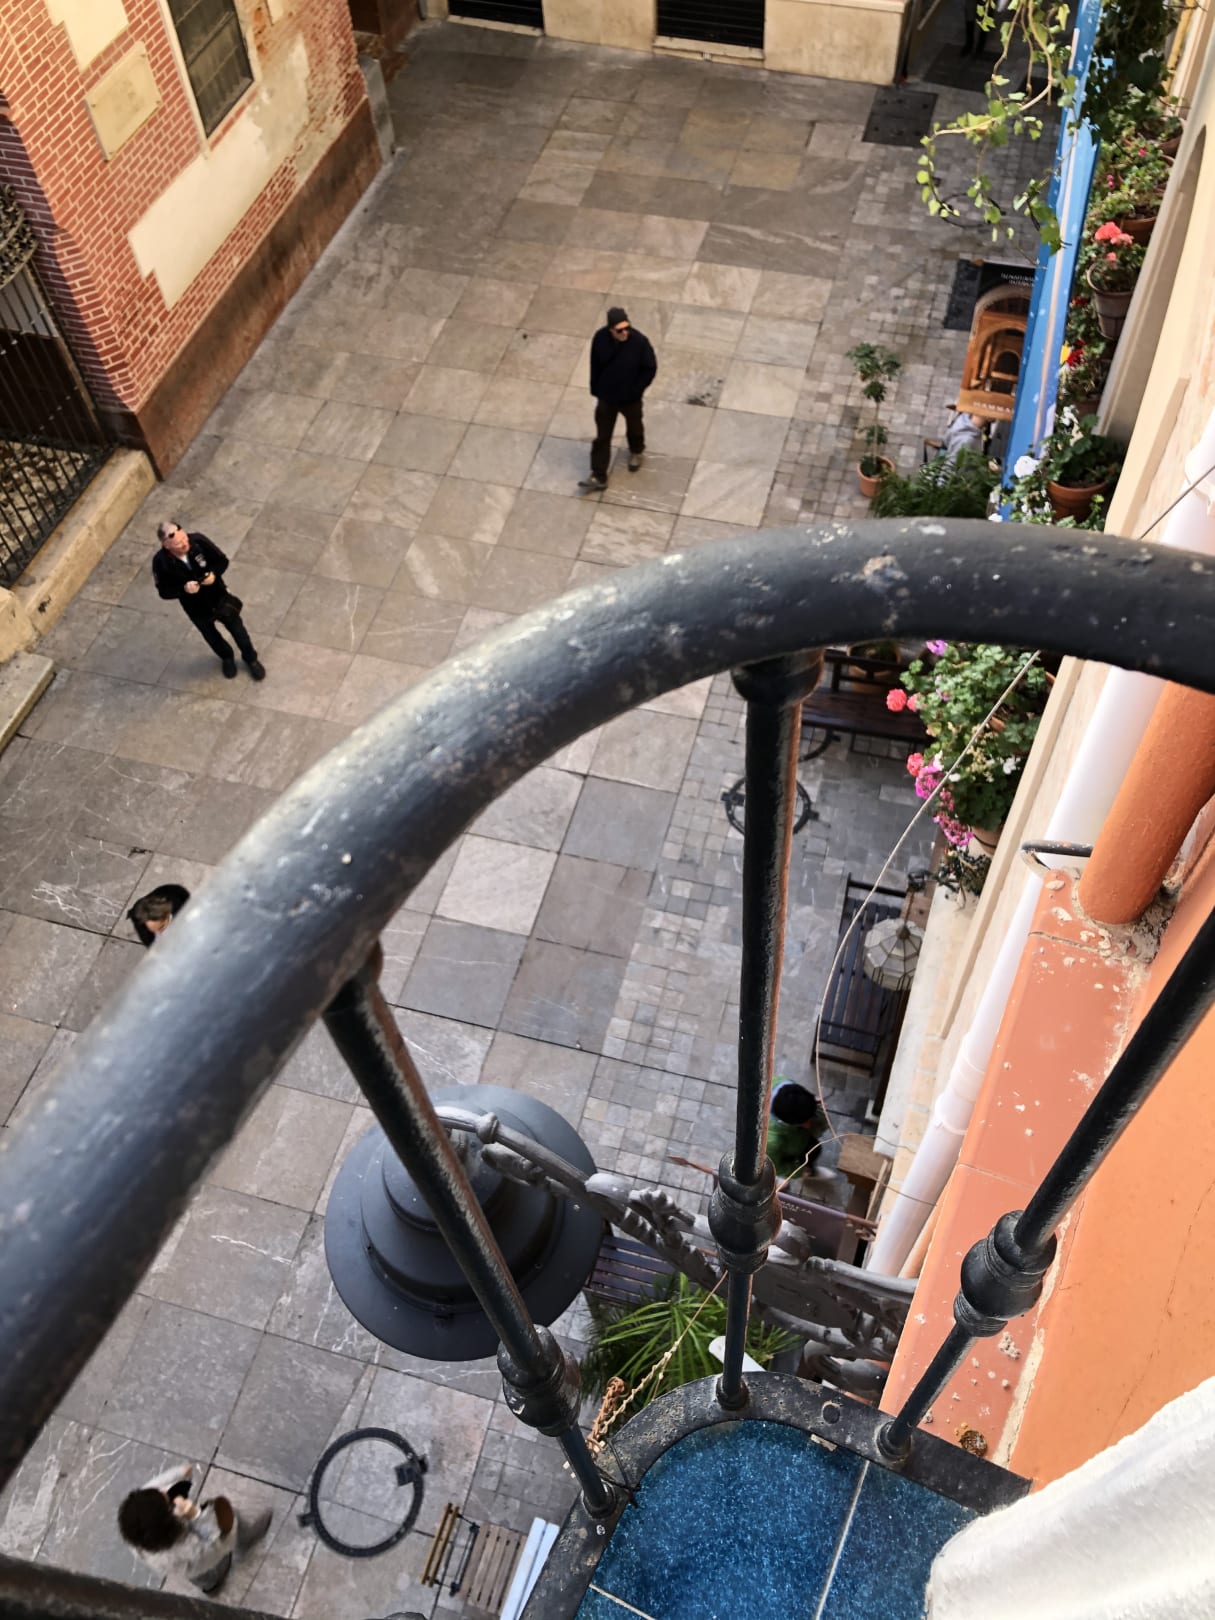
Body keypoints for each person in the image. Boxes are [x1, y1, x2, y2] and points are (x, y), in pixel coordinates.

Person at [117, 1461, 271, 1595]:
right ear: (171, 1521)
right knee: (227, 1519)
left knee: (194, 1575)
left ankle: (209, 1587)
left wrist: (177, 1473)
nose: (165, 1491)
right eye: (168, 1501)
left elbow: (152, 1488)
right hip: (198, 1560)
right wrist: (197, 1516)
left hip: (182, 1565)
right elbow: (221, 1544)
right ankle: (243, 1544)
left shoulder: (139, 1527)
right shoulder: (185, 1547)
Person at [153, 520, 265, 680]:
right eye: (178, 543)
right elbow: (164, 591)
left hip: (218, 597)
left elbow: (222, 561)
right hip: (196, 608)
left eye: (184, 538)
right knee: (212, 638)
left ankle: (251, 658)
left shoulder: (198, 542)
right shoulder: (161, 562)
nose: (185, 544)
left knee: (239, 632)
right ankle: (227, 657)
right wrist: (183, 589)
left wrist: (213, 574)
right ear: (166, 544)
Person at [578, 306, 657, 491]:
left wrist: (636, 390)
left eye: (627, 328)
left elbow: (650, 368)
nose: (624, 333)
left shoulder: (639, 342)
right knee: (602, 437)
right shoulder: (600, 339)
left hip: (630, 398)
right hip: (607, 398)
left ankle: (636, 450)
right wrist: (596, 389)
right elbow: (595, 364)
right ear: (611, 329)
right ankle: (598, 475)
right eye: (619, 330)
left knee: (634, 425)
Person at [766, 1080, 827, 1182]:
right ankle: (808, 1171)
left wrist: (813, 1100)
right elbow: (776, 1166)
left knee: (815, 1148)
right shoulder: (771, 1142)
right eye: (803, 1122)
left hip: (798, 1139)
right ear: (785, 1122)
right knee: (810, 1154)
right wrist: (799, 1172)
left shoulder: (785, 1085)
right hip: (791, 1151)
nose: (808, 1125)